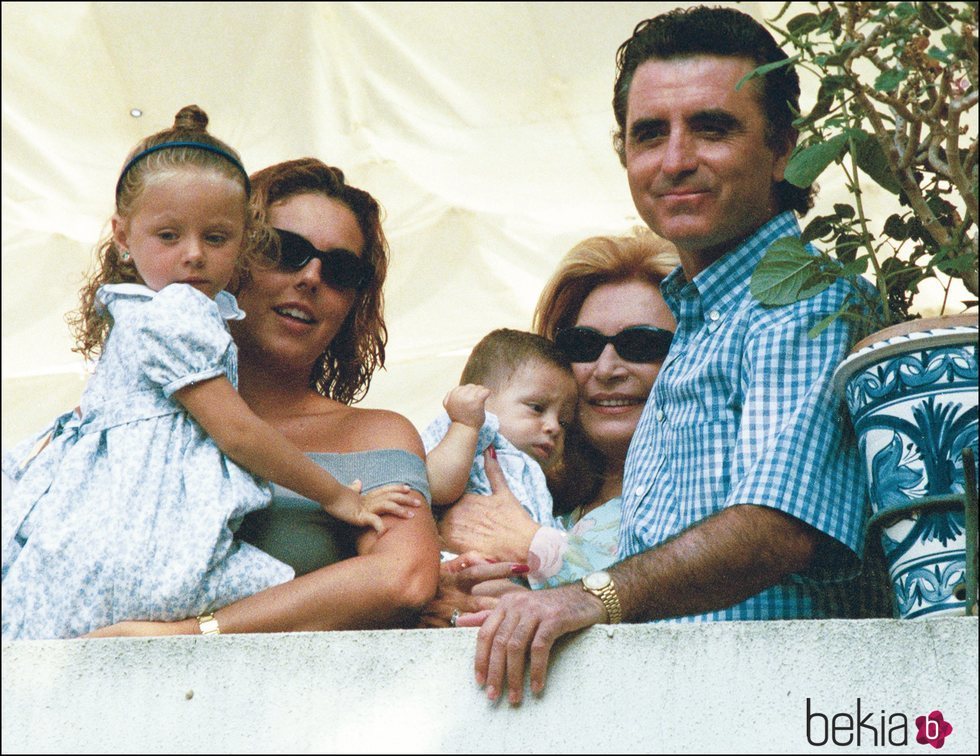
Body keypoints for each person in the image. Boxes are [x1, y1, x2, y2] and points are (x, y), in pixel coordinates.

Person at [460, 6, 873, 704]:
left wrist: (589, 597)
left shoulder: (805, 298)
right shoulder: (699, 319)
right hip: (685, 708)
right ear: (624, 153)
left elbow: (780, 527)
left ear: (783, 150)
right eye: (650, 134)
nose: (676, 159)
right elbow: (654, 560)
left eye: (712, 127)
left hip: (780, 709)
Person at [1, 109, 422, 641]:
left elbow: (403, 580)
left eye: (340, 270)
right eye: (288, 252)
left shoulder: (376, 435)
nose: (312, 277)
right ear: (254, 254)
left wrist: (191, 634)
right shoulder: (144, 376)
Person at [418, 229, 677, 627]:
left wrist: (530, 544)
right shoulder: (531, 483)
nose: (606, 369)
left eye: (641, 344)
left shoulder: (708, 491)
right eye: (583, 346)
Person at [421, 328, 577, 538]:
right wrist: (465, 425)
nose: (554, 427)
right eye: (537, 408)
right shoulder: (466, 429)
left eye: (564, 422)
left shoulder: (535, 477)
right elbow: (435, 485)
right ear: (480, 399)